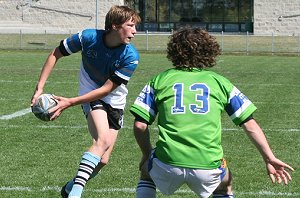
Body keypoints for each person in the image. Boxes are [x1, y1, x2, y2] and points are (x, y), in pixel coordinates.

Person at [129, 28, 294, 198]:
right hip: (208, 165)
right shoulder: (220, 83)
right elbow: (249, 124)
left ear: (174, 50)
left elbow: (140, 124)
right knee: (225, 184)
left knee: (146, 173)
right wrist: (269, 158)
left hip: (168, 162)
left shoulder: (159, 80)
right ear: (208, 50)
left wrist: (147, 153)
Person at [31, 5, 141, 198]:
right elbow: (56, 53)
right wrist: (40, 87)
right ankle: (76, 194)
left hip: (114, 100)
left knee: (103, 160)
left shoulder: (130, 56)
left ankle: (69, 188)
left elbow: (107, 89)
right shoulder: (88, 37)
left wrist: (69, 102)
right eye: (130, 25)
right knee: (103, 139)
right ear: (115, 26)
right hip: (90, 92)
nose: (135, 31)